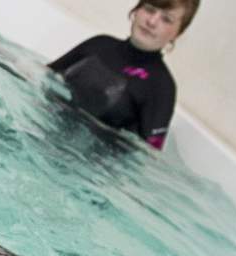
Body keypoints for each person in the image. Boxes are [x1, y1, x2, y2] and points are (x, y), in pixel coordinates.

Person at [48, 0, 200, 150]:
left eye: (166, 19)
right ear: (137, 9)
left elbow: (149, 153)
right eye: (149, 9)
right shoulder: (98, 45)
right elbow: (43, 76)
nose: (152, 22)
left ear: (178, 33)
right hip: (48, 133)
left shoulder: (161, 87)